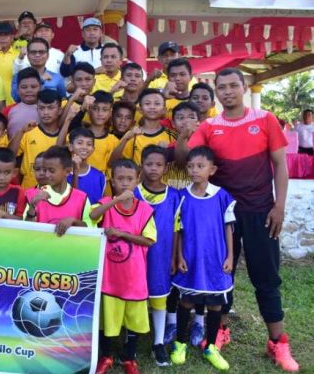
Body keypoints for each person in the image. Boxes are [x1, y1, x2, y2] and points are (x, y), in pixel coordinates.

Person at [176, 68, 299, 372]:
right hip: (221, 216)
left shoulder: (265, 119)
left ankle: (278, 342)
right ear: (216, 92)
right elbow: (184, 160)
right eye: (222, 87)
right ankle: (220, 330)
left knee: (266, 276)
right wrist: (183, 136)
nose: (228, 91)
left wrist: (279, 206)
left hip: (261, 211)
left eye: (233, 85)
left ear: (244, 87)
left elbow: (280, 165)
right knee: (223, 273)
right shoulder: (209, 126)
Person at [170, 146, 236, 371]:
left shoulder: (222, 196)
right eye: (190, 166)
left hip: (215, 258)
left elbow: (229, 228)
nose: (194, 170)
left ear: (212, 170)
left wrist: (230, 256)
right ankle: (180, 343)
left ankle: (211, 347)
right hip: (191, 258)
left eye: (200, 166)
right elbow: (178, 230)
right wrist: (179, 256)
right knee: (186, 301)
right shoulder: (182, 196)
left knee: (215, 304)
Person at [90, 159, 156, 374]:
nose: (125, 183)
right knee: (109, 319)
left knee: (134, 320)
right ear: (112, 181)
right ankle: (106, 356)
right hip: (110, 276)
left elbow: (149, 240)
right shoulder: (105, 204)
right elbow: (92, 216)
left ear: (137, 180)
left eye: (129, 179)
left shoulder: (144, 209)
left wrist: (121, 234)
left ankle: (129, 358)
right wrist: (115, 200)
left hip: (134, 277)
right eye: (120, 179)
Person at [134, 145, 181, 367]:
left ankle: (158, 342)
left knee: (159, 296)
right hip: (135, 255)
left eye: (159, 165)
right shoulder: (133, 192)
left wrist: (174, 257)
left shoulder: (174, 195)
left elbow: (176, 229)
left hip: (162, 254)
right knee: (134, 296)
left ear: (166, 168)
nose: (154, 168)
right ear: (141, 165)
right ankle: (131, 341)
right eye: (149, 164)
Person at [23, 146, 91, 236]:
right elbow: (25, 231)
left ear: (67, 171)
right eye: (45, 170)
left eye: (51, 171)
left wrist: (74, 221)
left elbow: (91, 230)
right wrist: (32, 207)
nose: (46, 174)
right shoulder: (33, 195)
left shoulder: (82, 198)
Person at [10, 89, 62, 189]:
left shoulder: (65, 137)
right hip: (28, 190)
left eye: (50, 108)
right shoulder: (28, 133)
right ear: (37, 109)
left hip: (54, 193)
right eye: (42, 108)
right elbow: (9, 156)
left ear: (59, 110)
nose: (45, 112)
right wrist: (21, 132)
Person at [110, 88, 175, 167]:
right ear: (140, 109)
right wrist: (125, 139)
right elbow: (113, 163)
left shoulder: (172, 135)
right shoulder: (131, 135)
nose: (152, 107)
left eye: (157, 103)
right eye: (147, 103)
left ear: (164, 110)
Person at [60, 90, 119, 174]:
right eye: (95, 109)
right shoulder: (78, 134)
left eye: (105, 110)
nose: (100, 113)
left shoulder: (114, 141)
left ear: (110, 112)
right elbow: (62, 144)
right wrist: (82, 109)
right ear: (89, 110)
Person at [11, 38, 67, 102]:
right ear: (28, 55)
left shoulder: (57, 78)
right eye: (33, 52)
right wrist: (41, 80)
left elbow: (63, 100)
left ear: (48, 55)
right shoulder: (19, 76)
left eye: (41, 52)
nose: (37, 55)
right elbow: (16, 98)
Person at [67, 128, 106, 204]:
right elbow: (73, 201)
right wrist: (76, 172)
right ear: (70, 147)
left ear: (93, 149)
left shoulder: (99, 176)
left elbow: (103, 204)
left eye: (89, 144)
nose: (84, 147)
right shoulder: (61, 173)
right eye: (80, 143)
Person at [4, 68, 42, 138]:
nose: (29, 90)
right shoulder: (8, 110)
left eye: (33, 87)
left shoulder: (46, 110)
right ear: (18, 90)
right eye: (24, 87)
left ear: (40, 88)